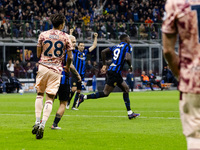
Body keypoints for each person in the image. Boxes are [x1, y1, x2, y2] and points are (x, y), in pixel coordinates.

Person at [162, 1, 200, 149]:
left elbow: (168, 51)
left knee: (195, 138)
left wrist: (181, 75)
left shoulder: (175, 3)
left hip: (193, 79)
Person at [76, 34, 140, 119]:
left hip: (112, 71)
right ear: (125, 39)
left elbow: (103, 52)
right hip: (115, 72)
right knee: (120, 90)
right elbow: (127, 58)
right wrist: (130, 66)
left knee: (118, 90)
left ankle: (84, 97)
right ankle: (130, 113)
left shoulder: (115, 46)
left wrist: (104, 65)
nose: (129, 40)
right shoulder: (127, 46)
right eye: (128, 38)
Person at [32, 13, 73, 139]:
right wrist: (66, 66)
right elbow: (70, 56)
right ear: (61, 24)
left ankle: (37, 121)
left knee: (40, 94)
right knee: (50, 98)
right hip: (56, 70)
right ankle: (43, 124)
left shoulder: (43, 35)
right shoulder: (66, 37)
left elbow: (38, 52)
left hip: (43, 67)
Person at [51, 35, 81, 129]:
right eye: (73, 41)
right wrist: (77, 75)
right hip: (63, 79)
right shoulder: (68, 51)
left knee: (49, 101)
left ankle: (41, 122)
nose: (74, 44)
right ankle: (54, 124)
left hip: (53, 77)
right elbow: (70, 66)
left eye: (75, 42)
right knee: (63, 103)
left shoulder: (56, 48)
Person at [66, 29, 98, 110]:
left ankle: (73, 106)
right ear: (78, 46)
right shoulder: (75, 52)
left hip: (82, 74)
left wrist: (95, 37)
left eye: (83, 46)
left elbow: (94, 46)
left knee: (79, 91)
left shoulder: (85, 52)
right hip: (74, 73)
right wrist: (71, 33)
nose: (82, 47)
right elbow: (69, 43)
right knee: (73, 89)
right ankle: (68, 102)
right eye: (81, 46)